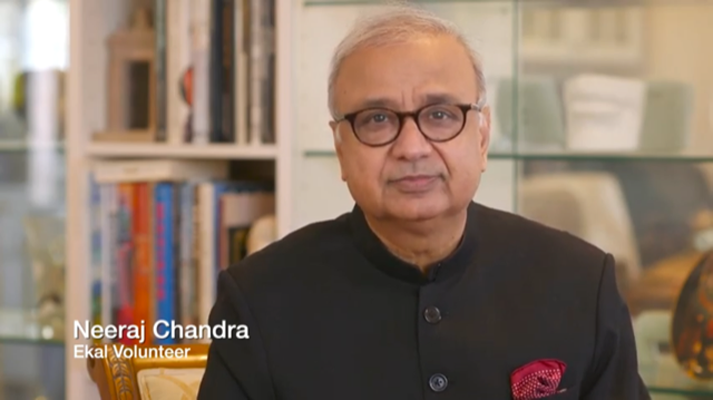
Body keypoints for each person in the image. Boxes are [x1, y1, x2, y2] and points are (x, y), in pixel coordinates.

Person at [197, 4, 651, 400]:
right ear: (341, 148)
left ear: (482, 137)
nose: (412, 147)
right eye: (377, 119)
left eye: (440, 115)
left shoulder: (581, 282)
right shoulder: (257, 299)